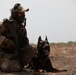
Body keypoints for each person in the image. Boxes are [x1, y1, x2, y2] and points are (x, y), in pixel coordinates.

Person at [0, 3, 36, 72]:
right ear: (15, 14)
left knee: (32, 50)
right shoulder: (6, 24)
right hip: (4, 53)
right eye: (21, 14)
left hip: (15, 54)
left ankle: (19, 64)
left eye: (23, 14)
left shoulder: (22, 28)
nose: (23, 16)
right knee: (15, 68)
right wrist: (6, 41)